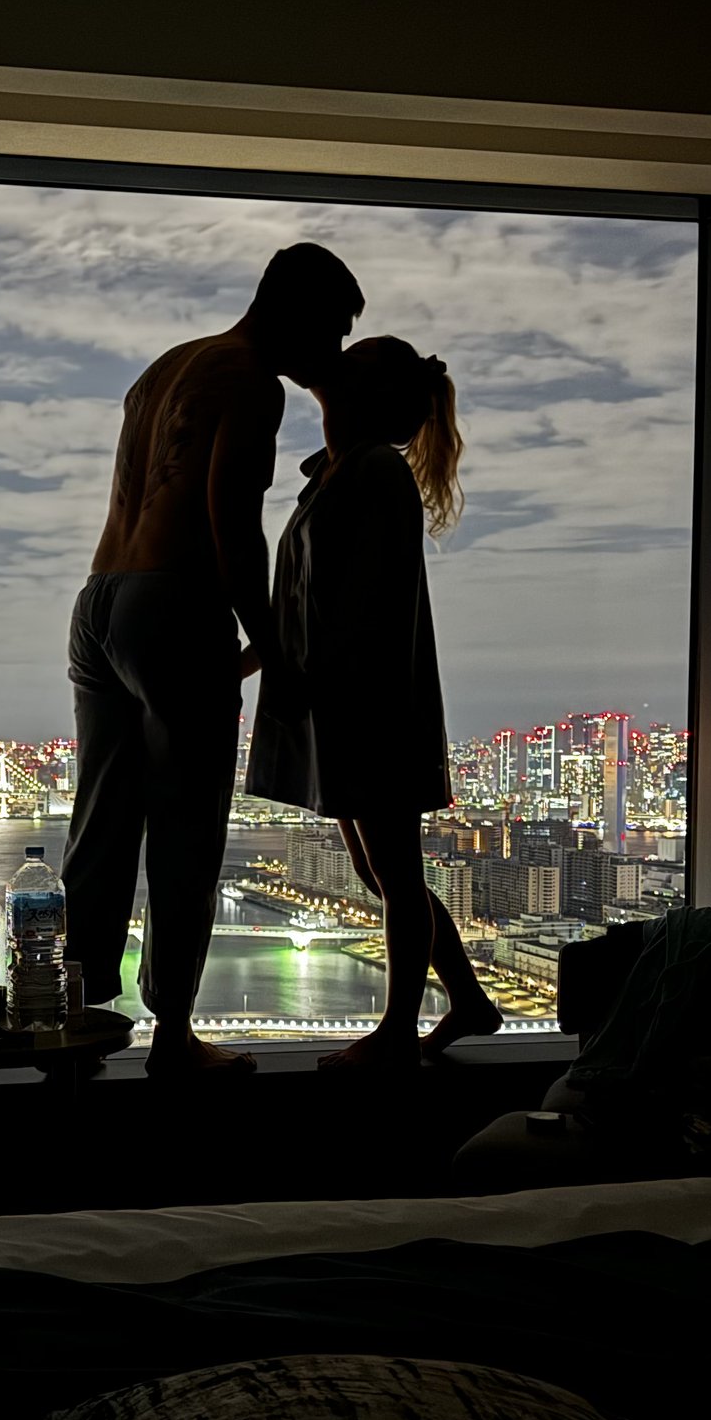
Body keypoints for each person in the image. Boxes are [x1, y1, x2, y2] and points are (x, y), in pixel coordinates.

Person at [62, 242, 364, 1076]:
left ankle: (72, 1018)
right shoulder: (254, 383)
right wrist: (276, 649)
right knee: (187, 828)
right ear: (297, 311)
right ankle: (173, 1036)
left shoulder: (165, 369)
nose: (334, 353)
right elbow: (233, 527)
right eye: (333, 331)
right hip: (174, 601)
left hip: (99, 598)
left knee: (100, 822)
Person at [245, 336, 503, 1069]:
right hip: (343, 704)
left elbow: (367, 602)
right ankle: (468, 999)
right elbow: (299, 602)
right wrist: (248, 666)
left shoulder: (375, 470)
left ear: (369, 392)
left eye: (350, 362)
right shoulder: (333, 473)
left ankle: (396, 1034)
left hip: (370, 705)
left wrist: (304, 676)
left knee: (394, 873)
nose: (334, 363)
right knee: (381, 873)